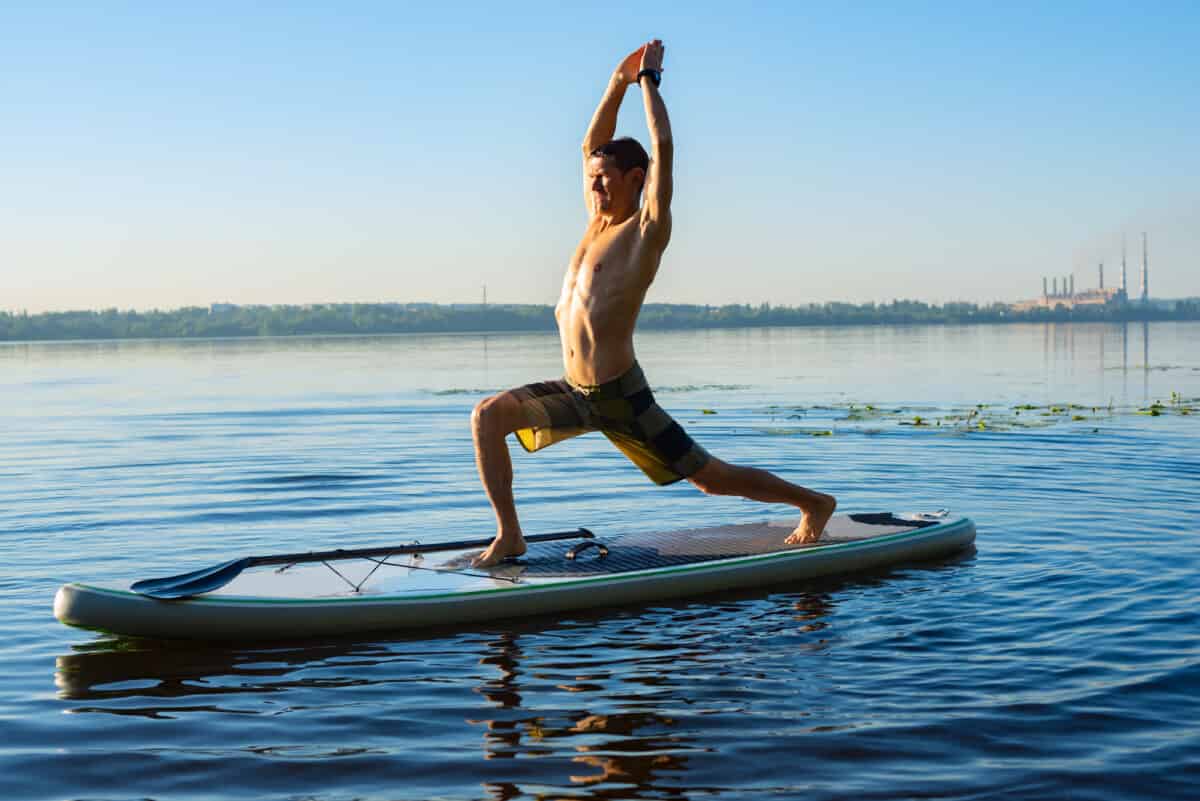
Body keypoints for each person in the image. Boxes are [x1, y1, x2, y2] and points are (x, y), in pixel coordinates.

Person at [471, 40, 836, 567]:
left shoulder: (645, 230)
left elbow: (663, 147)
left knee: (711, 480)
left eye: (605, 179)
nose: (594, 185)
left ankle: (813, 503)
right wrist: (615, 84)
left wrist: (647, 82)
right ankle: (510, 535)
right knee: (487, 416)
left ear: (635, 180)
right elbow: (589, 145)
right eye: (593, 179)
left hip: (622, 396)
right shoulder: (593, 224)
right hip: (576, 390)